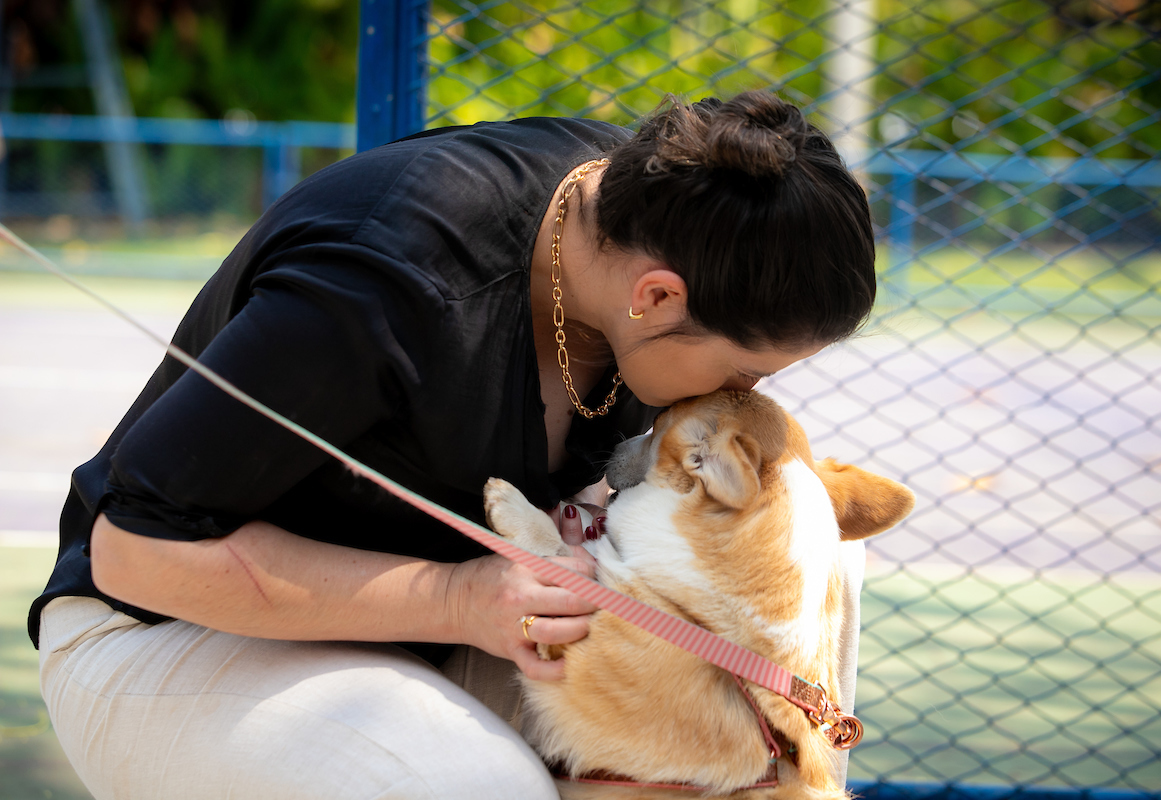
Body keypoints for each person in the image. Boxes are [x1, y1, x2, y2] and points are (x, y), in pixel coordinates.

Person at [30, 90, 876, 800]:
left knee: (814, 555)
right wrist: (459, 599)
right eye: (745, 369)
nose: (746, 396)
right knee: (470, 788)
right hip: (172, 630)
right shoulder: (383, 279)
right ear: (655, 297)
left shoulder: (655, 217)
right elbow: (134, 554)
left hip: (444, 633)